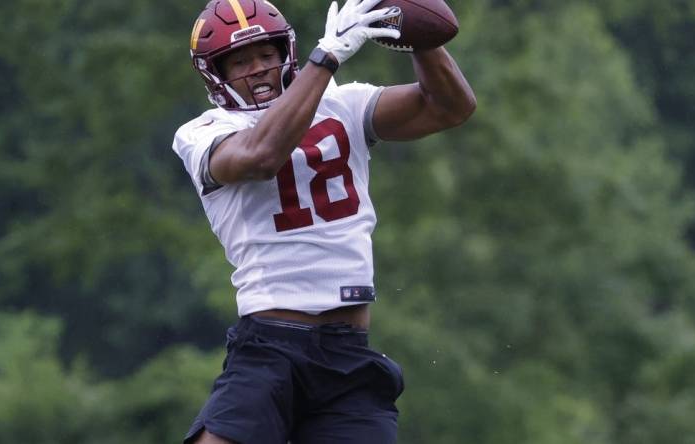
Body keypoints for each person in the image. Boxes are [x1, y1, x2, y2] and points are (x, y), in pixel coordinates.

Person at [172, 0, 475, 442]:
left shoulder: (343, 104)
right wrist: (327, 56)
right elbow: (260, 155)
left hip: (347, 355)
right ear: (214, 72)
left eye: (266, 54)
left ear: (285, 52)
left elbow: (449, 107)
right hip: (269, 347)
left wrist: (416, 32)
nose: (256, 68)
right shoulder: (202, 132)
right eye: (239, 61)